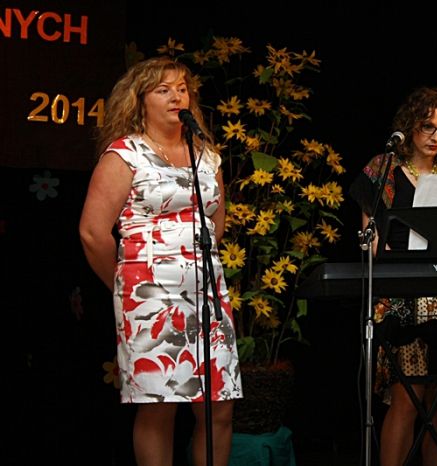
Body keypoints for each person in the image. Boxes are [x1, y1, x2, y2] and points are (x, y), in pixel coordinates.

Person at [79, 56, 242, 466]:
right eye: (163, 90)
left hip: (206, 294)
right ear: (140, 101)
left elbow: (216, 224)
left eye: (182, 89)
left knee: (219, 406)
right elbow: (93, 233)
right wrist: (126, 286)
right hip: (150, 299)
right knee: (159, 407)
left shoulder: (206, 156)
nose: (176, 97)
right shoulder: (125, 155)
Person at [349, 86, 437, 466]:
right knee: (406, 397)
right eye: (428, 127)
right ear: (411, 125)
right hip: (401, 295)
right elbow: (371, 238)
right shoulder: (383, 169)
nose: (436, 137)